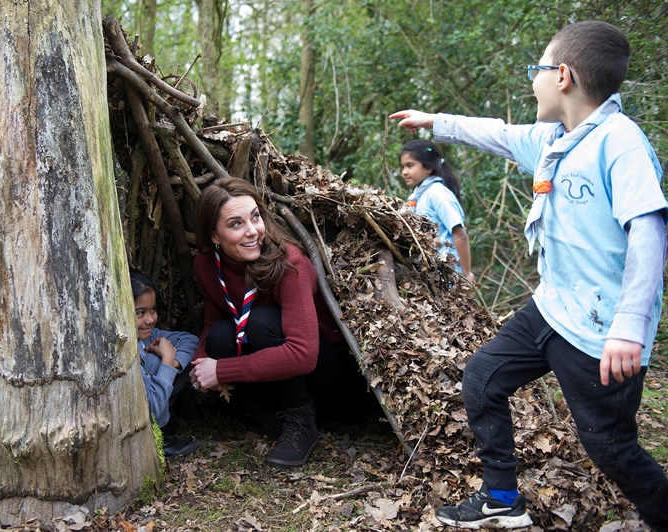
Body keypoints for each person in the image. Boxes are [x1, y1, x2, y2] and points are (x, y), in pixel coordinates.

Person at [390, 20, 668, 530]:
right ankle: (501, 498)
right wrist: (435, 120)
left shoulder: (619, 143)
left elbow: (649, 231)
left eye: (536, 70)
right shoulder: (551, 139)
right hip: (551, 306)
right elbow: (496, 133)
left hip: (601, 329)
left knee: (609, 446)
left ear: (562, 76)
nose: (531, 80)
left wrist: (629, 325)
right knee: (482, 377)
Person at [190, 177, 359, 468]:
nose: (252, 231)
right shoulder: (206, 265)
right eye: (235, 224)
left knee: (261, 321)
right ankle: (266, 410)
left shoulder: (288, 264)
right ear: (214, 235)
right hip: (274, 369)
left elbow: (304, 355)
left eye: (255, 217)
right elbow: (212, 322)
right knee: (220, 335)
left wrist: (221, 370)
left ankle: (300, 422)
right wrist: (200, 362)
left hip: (323, 372)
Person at [130, 268, 201, 458]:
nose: (150, 319)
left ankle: (162, 425)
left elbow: (191, 340)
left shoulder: (147, 336)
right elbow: (150, 409)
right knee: (157, 362)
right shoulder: (127, 353)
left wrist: (173, 361)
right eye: (140, 312)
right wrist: (166, 362)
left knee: (172, 359)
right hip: (142, 419)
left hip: (156, 407)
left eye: (152, 310)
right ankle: (155, 437)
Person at [399, 139, 473, 282]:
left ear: (428, 167)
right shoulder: (420, 195)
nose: (404, 172)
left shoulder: (438, 194)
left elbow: (459, 233)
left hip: (448, 274)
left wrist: (467, 273)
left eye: (410, 165)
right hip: (430, 273)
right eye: (403, 167)